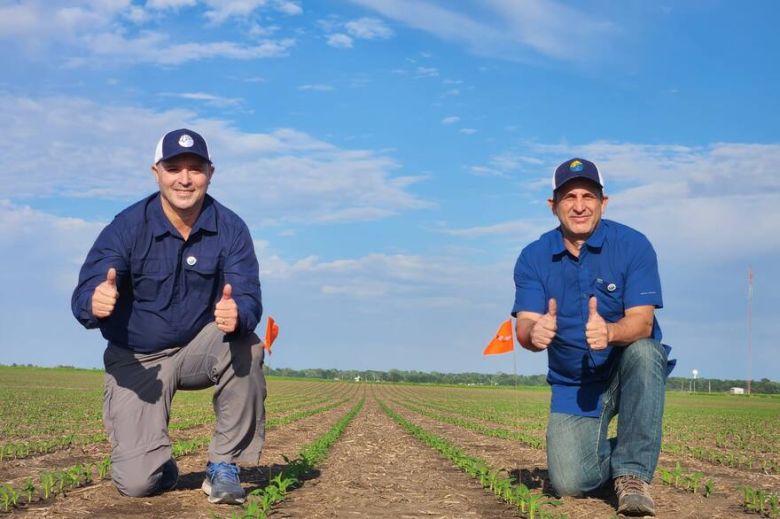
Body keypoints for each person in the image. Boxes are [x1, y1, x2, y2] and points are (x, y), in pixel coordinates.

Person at [71, 128, 266, 505]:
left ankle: (224, 465)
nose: (185, 178)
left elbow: (249, 297)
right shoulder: (126, 227)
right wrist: (93, 302)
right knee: (137, 483)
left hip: (198, 349)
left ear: (211, 173)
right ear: (156, 171)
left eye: (195, 168)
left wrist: (238, 312)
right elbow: (87, 289)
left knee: (248, 344)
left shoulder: (232, 228)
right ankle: (161, 467)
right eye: (174, 167)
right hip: (138, 359)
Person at [512, 158, 673, 517]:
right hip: (574, 383)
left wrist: (612, 332)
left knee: (646, 353)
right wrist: (532, 333)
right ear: (553, 205)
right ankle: (624, 451)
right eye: (569, 197)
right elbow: (523, 324)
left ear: (604, 202)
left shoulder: (633, 245)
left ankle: (632, 476)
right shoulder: (533, 257)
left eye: (588, 196)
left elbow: (643, 323)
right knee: (570, 483)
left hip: (625, 371)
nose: (580, 205)